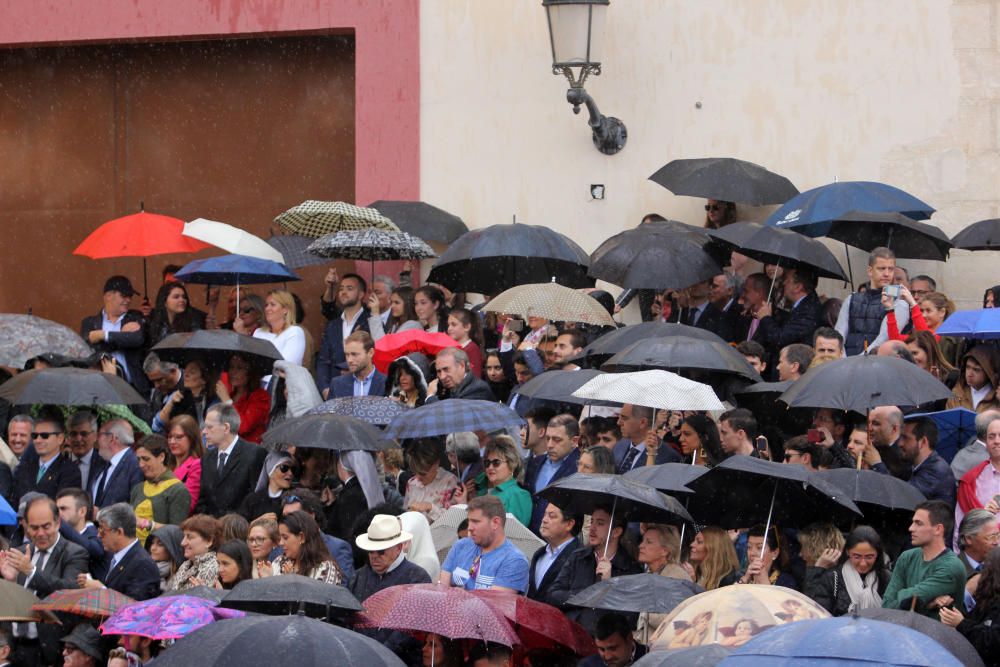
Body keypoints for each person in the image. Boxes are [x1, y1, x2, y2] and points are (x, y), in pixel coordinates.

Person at [1, 495, 90, 667]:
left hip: (49, 649)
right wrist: (10, 582)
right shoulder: (19, 552)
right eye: (34, 528)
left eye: (46, 526)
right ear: (25, 526)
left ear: (58, 523)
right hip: (13, 647)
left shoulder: (74, 553)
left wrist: (31, 572)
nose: (40, 533)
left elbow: (69, 592)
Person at [548, 505, 641, 632]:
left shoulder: (631, 569)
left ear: (616, 532)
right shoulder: (578, 557)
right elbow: (553, 595)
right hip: (570, 636)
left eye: (600, 523)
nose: (592, 528)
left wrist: (607, 585)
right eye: (592, 522)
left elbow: (629, 618)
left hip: (602, 644)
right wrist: (586, 595)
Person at [882, 500, 967, 618]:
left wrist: (902, 595)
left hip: (934, 635)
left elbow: (904, 599)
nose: (911, 528)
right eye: (913, 522)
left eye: (919, 523)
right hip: (902, 631)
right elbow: (886, 605)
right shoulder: (907, 557)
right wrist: (928, 604)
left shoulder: (952, 567)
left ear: (938, 529)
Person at [439, 495, 529, 592]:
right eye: (469, 521)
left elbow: (495, 603)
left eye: (475, 522)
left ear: (495, 522)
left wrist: (460, 595)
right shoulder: (460, 545)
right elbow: (442, 591)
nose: (469, 528)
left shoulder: (514, 560)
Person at [194, 404, 267, 517]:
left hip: (240, 528)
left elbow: (256, 498)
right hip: (211, 529)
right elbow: (203, 500)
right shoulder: (207, 458)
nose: (204, 431)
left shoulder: (254, 453)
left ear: (226, 428)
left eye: (209, 427)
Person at [76, 503, 161, 601]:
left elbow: (135, 607)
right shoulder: (117, 555)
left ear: (119, 532)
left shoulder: (143, 564)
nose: (98, 535)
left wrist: (101, 590)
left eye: (102, 530)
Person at [80, 275, 148, 393]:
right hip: (102, 388)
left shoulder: (135, 316)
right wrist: (121, 335)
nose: (128, 300)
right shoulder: (89, 323)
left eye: (130, 296)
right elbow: (90, 351)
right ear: (108, 296)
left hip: (134, 388)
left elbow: (137, 339)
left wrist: (103, 335)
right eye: (123, 296)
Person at [836, 247, 909, 356]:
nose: (887, 274)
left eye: (891, 269)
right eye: (882, 268)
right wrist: (843, 360)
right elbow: (839, 334)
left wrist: (860, 360)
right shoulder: (851, 299)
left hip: (878, 364)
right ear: (870, 271)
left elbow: (883, 338)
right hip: (845, 363)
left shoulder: (900, 303)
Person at [804, 525, 889, 616]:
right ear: (848, 552)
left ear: (878, 554)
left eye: (869, 557)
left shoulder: (887, 580)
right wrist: (816, 570)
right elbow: (817, 612)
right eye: (857, 556)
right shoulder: (833, 578)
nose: (863, 563)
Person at [940, 548, 1000, 666]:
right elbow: (973, 621)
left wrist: (961, 623)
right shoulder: (989, 599)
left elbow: (992, 642)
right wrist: (949, 610)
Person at [280, 489, 355, 580]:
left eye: (293, 516)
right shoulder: (279, 551)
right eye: (285, 516)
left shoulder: (337, 548)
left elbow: (344, 587)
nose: (287, 521)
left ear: (311, 515)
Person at [524, 414, 581, 533]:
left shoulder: (580, 469)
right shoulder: (535, 463)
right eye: (547, 438)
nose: (549, 445)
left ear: (574, 441)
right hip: (529, 534)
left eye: (557, 440)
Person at [11, 409, 82, 503]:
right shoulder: (24, 468)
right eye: (35, 436)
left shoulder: (70, 471)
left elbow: (64, 508)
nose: (38, 440)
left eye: (44, 436)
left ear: (60, 438)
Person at [130, 435, 191, 543]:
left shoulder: (178, 490)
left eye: (146, 459)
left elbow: (177, 532)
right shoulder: (138, 488)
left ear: (161, 457)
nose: (141, 464)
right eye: (138, 459)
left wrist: (148, 525)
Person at [634, 524, 690, 640]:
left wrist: (644, 608)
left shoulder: (677, 578)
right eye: (642, 541)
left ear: (664, 550)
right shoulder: (648, 575)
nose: (641, 546)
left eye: (648, 542)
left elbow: (675, 620)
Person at [753, 267, 823, 359]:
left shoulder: (809, 312)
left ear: (798, 287)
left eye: (787, 280)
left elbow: (780, 339)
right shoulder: (804, 304)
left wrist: (766, 318)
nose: (784, 283)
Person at [317, 274, 370, 392]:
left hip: (363, 388)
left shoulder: (371, 322)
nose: (343, 292)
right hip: (334, 390)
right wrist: (325, 388)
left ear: (361, 294)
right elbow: (323, 360)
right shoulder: (332, 325)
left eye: (349, 288)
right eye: (341, 288)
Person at [956, 415, 1000, 543]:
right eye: (991, 437)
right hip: (982, 555)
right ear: (985, 443)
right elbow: (961, 525)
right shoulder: (971, 481)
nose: (996, 441)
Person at [270, 510, 343, 584]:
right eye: (280, 538)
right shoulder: (279, 561)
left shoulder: (326, 568)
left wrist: (293, 581)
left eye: (285, 538)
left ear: (302, 537)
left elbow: (323, 595)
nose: (280, 543)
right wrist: (266, 578)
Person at [528, 503, 580, 604]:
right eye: (544, 514)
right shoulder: (539, 554)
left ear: (569, 524)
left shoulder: (580, 557)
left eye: (552, 516)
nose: (544, 520)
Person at [897, 417, 956, 505]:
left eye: (906, 438)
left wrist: (877, 463)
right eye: (901, 437)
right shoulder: (916, 465)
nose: (900, 443)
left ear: (923, 442)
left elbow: (902, 496)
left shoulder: (936, 471)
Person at [215, 353, 270, 443]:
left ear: (250, 372)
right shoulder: (232, 395)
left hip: (249, 451)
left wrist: (227, 401)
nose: (233, 372)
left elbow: (243, 427)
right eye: (231, 367)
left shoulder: (260, 396)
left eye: (239, 368)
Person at [478, 435, 532, 527]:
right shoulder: (487, 493)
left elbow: (517, 532)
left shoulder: (518, 494)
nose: (490, 467)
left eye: (496, 463)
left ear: (511, 465)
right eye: (487, 463)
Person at [152, 359, 219, 432]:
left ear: (204, 379)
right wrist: (170, 403)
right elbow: (156, 426)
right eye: (186, 371)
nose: (186, 375)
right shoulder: (180, 395)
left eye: (192, 372)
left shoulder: (213, 400)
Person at [613, 404, 680, 474]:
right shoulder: (620, 445)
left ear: (643, 422)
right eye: (619, 417)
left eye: (624, 418)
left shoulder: (668, 458)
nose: (618, 422)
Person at [404, 439, 460, 522]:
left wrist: (430, 507)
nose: (418, 478)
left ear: (436, 464)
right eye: (415, 472)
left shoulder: (450, 481)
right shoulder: (411, 483)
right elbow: (406, 512)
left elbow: (454, 519)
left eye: (423, 473)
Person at [250, 289, 307, 366]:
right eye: (266, 305)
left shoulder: (295, 332)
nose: (267, 309)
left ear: (285, 309)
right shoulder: (259, 332)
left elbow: (286, 366)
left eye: (272, 304)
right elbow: (251, 362)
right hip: (257, 378)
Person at [167, 513, 221, 591]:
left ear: (209, 541)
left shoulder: (212, 568)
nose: (183, 543)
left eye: (190, 537)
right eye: (184, 536)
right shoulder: (186, 565)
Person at [327, 331, 386, 398]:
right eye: (347, 355)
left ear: (370, 353)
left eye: (354, 354)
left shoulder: (387, 384)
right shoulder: (336, 384)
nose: (349, 360)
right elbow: (330, 408)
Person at [238, 452, 294, 522]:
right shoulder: (252, 500)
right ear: (270, 471)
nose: (290, 473)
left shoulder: (294, 499)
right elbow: (240, 528)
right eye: (284, 468)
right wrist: (258, 522)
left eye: (293, 469)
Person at [147, 281, 204, 348]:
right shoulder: (154, 322)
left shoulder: (193, 321)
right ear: (165, 302)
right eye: (176, 297)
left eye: (184, 297)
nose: (182, 300)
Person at [425, 347, 495, 402]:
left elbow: (451, 415)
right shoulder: (447, 389)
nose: (442, 377)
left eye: (446, 369)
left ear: (462, 365)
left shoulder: (478, 389)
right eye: (439, 371)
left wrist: (430, 397)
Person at [166, 414, 204, 514]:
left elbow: (187, 504)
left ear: (191, 438)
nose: (172, 441)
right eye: (170, 437)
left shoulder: (197, 465)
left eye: (178, 437)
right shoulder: (167, 464)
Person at [740, 524, 798, 589]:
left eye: (759, 547)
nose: (752, 553)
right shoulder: (742, 575)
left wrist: (765, 582)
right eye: (749, 547)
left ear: (775, 553)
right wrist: (745, 579)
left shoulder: (785, 581)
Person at [948, 347, 1000, 413]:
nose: (969, 374)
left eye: (976, 370)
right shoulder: (958, 392)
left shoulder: (996, 397)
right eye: (967, 367)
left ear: (989, 373)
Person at [866, 406, 910, 480]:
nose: (868, 428)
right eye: (868, 423)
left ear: (894, 428)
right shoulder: (872, 446)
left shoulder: (908, 454)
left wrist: (876, 464)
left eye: (876, 423)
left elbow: (897, 488)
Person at [66, 411, 104, 494]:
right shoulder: (60, 462)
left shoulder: (104, 464)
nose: (78, 439)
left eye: (84, 434)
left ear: (95, 436)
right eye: (73, 434)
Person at [957, 509, 999, 578]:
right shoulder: (952, 572)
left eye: (998, 536)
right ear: (968, 539)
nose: (996, 542)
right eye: (991, 537)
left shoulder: (997, 564)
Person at [447, 308, 485, 378]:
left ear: (467, 327)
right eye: (448, 325)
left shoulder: (472, 349)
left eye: (454, 325)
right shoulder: (453, 349)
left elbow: (475, 376)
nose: (449, 328)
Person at [146, 524, 183, 591]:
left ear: (172, 548)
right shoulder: (143, 568)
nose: (152, 548)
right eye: (152, 543)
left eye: (160, 544)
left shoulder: (181, 577)